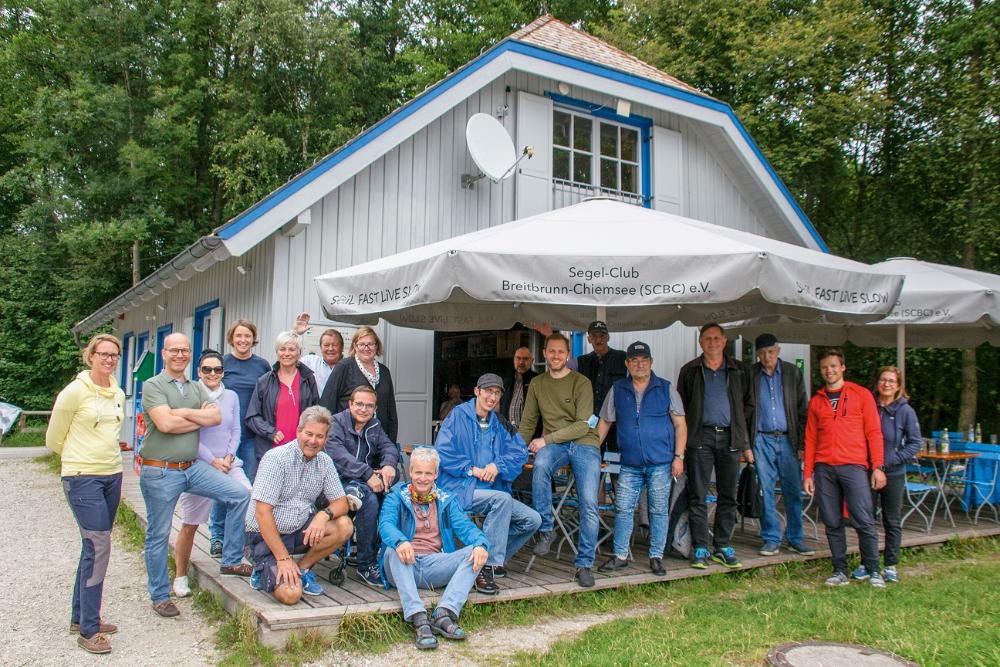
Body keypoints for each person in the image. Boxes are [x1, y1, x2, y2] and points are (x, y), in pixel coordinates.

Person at [138, 333, 252, 618]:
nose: (180, 354)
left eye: (185, 350)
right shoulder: (153, 385)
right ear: (164, 353)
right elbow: (164, 424)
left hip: (192, 466)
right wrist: (189, 418)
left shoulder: (194, 388)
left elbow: (215, 418)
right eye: (174, 350)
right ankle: (160, 595)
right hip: (161, 469)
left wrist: (182, 413)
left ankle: (230, 559)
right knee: (159, 533)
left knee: (239, 495)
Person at [46, 334, 125, 654]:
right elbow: (54, 439)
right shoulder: (75, 392)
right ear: (90, 356)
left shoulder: (116, 390)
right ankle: (90, 630)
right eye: (103, 354)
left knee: (93, 546)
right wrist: (80, 460)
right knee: (99, 545)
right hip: (82, 477)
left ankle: (80, 617)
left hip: (112, 474)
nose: (109, 360)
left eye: (114, 355)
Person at [435, 373, 541, 594]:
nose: (492, 397)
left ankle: (481, 556)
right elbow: (443, 451)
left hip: (493, 490)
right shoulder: (457, 416)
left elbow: (520, 451)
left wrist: (498, 466)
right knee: (502, 501)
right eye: (488, 391)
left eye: (497, 393)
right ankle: (486, 567)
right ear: (477, 391)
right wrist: (471, 469)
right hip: (461, 487)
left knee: (533, 520)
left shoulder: (500, 422)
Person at [379, 447, 491, 650]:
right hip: (403, 565)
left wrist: (481, 544)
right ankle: (419, 618)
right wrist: (400, 541)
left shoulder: (447, 500)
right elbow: (385, 525)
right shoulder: (396, 496)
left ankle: (444, 613)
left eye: (428, 473)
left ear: (436, 474)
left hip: (434, 564)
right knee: (391, 549)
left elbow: (466, 528)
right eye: (418, 472)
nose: (422, 478)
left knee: (473, 551)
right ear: (410, 471)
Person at [244, 406, 354, 604]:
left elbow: (342, 502)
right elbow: (262, 513)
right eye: (309, 433)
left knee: (344, 525)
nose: (313, 441)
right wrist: (284, 559)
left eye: (319, 436)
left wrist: (323, 515)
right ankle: (264, 567)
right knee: (291, 594)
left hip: (297, 529)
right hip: (265, 536)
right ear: (298, 431)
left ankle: (302, 569)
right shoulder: (276, 459)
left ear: (326, 439)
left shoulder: (325, 462)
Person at [519, 332, 601, 588]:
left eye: (560, 352)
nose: (555, 356)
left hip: (584, 443)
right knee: (540, 465)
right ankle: (546, 529)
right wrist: (513, 450)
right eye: (551, 351)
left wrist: (547, 439)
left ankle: (585, 564)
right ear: (544, 353)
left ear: (568, 355)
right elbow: (528, 423)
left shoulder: (582, 382)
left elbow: (582, 425)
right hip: (555, 446)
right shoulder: (537, 384)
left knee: (588, 502)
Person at [596, 342, 686, 576]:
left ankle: (656, 556)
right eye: (634, 360)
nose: (639, 364)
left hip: (661, 463)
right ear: (627, 364)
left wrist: (679, 456)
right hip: (630, 463)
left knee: (658, 510)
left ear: (651, 362)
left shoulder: (666, 388)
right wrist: (592, 450)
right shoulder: (618, 388)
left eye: (643, 359)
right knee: (623, 509)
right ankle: (620, 555)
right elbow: (605, 422)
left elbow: (680, 424)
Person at [172, 350, 253, 598]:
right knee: (191, 523)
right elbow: (190, 434)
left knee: (246, 494)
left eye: (217, 370)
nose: (213, 374)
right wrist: (213, 460)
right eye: (207, 369)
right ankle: (180, 575)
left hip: (228, 462)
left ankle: (231, 558)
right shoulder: (191, 395)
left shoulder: (230, 396)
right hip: (199, 464)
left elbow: (236, 429)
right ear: (199, 371)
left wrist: (228, 456)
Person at [804, 348, 887, 588]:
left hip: (854, 466)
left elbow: (874, 432)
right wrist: (807, 473)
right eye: (824, 367)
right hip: (824, 468)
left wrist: (878, 466)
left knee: (864, 519)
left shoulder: (860, 395)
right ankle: (839, 570)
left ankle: (873, 571)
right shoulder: (816, 402)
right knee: (832, 521)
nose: (828, 370)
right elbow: (810, 439)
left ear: (842, 368)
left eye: (833, 366)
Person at [676, 323, 753, 570]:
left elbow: (749, 406)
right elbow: (681, 407)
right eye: (707, 338)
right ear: (701, 342)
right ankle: (700, 547)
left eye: (716, 338)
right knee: (697, 494)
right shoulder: (689, 371)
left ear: (724, 341)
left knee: (728, 495)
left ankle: (722, 545)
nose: (712, 342)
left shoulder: (740, 370)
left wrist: (743, 437)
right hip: (700, 438)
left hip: (730, 438)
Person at [324, 385, 399, 587]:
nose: (364, 409)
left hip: (363, 480)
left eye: (369, 406)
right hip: (336, 482)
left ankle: (389, 553)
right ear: (350, 404)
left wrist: (388, 466)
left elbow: (389, 446)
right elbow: (338, 456)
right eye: (359, 404)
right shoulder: (336, 423)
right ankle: (366, 564)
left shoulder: (374, 425)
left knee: (393, 488)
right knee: (370, 500)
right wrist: (367, 474)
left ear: (374, 408)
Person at [748, 333, 814, 557]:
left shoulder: (792, 373)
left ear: (778, 350)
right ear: (758, 354)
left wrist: (802, 442)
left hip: (788, 438)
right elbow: (745, 408)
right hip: (761, 438)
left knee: (792, 491)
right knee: (765, 490)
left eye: (771, 351)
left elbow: (802, 408)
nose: (767, 356)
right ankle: (771, 538)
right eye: (763, 353)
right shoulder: (751, 375)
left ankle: (795, 538)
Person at [857, 365, 921, 584]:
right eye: (883, 380)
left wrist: (889, 461)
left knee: (891, 520)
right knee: (866, 518)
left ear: (898, 386)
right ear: (878, 383)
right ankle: (867, 563)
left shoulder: (905, 410)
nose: (886, 384)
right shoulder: (869, 406)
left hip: (893, 472)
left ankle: (891, 564)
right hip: (867, 471)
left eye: (891, 381)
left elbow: (914, 443)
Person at [245, 331, 321, 466]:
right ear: (277, 352)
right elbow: (252, 417)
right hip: (271, 448)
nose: (286, 353)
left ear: (299, 353)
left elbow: (317, 413)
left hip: (302, 448)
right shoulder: (264, 381)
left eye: (291, 349)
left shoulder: (308, 379)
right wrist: (270, 432)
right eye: (282, 349)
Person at [320, 326, 399, 443]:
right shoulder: (344, 367)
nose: (366, 348)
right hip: (349, 439)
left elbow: (391, 410)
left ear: (376, 346)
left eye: (370, 344)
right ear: (355, 346)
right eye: (361, 344)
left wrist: (391, 443)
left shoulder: (384, 371)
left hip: (378, 439)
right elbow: (327, 403)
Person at [221, 319, 272, 484]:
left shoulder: (262, 365)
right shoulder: (223, 363)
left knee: (249, 483)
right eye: (239, 336)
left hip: (251, 435)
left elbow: (269, 397)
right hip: (225, 436)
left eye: (247, 336)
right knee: (222, 483)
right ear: (232, 338)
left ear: (253, 338)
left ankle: (246, 512)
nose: (243, 340)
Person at [577, 321, 627, 450]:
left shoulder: (623, 357)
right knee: (592, 460)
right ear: (588, 339)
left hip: (618, 423)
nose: (599, 340)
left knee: (617, 464)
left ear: (608, 337)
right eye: (594, 336)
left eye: (602, 335)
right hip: (590, 425)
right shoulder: (582, 362)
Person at [292, 311, 344, 395]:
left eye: (334, 345)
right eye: (326, 345)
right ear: (320, 347)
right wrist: (296, 334)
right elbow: (290, 359)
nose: (330, 349)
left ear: (342, 347)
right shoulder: (311, 362)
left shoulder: (349, 366)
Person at [500, 346, 537, 430]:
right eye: (518, 358)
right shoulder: (506, 381)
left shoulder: (536, 381)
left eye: (525, 359)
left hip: (529, 436)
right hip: (507, 435)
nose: (521, 362)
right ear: (514, 360)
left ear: (532, 361)